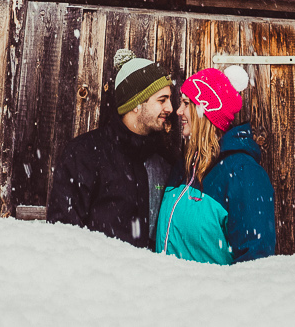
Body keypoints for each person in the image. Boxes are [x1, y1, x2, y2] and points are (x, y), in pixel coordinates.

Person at [47, 48, 178, 248]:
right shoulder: (85, 153)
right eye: (162, 100)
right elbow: (63, 230)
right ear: (136, 104)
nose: (170, 108)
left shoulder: (163, 159)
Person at [155, 64, 275, 263]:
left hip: (209, 285)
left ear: (206, 112)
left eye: (186, 103)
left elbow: (256, 259)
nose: (178, 111)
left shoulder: (243, 172)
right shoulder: (185, 165)